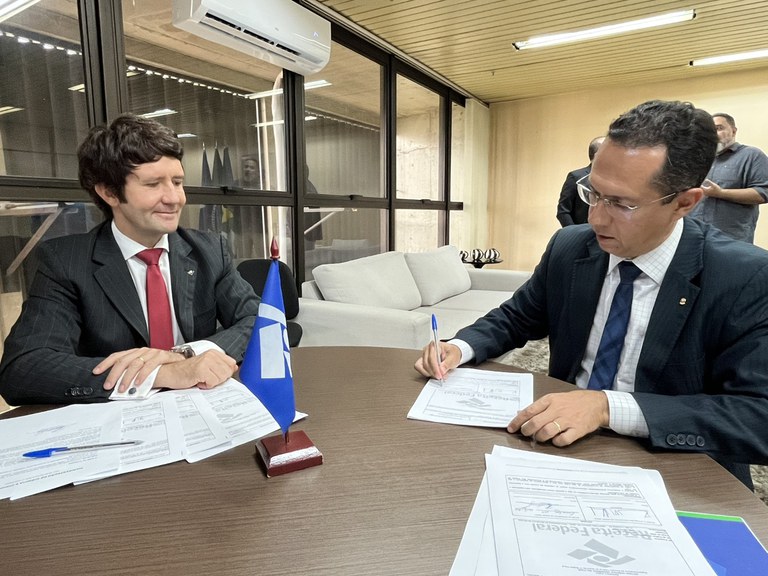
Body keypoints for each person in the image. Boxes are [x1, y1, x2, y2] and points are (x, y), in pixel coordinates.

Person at [415, 100, 768, 489]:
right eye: (594, 194)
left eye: (622, 203)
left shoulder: (745, 276)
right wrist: (460, 347)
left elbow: (757, 417)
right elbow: (517, 316)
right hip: (560, 447)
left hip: (679, 468)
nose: (596, 218)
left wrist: (607, 407)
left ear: (685, 203)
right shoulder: (571, 247)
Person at [0, 114, 260, 404]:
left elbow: (260, 321)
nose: (174, 198)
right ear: (109, 192)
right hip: (118, 418)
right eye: (153, 184)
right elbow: (23, 369)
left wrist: (185, 354)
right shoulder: (66, 262)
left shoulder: (209, 250)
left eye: (177, 182)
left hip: (204, 404)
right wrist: (159, 374)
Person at [689, 112, 768, 243]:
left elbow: (764, 192)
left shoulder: (752, 155)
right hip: (694, 236)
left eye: (719, 128)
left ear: (733, 131)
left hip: (731, 239)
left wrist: (721, 193)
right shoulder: (697, 159)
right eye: (710, 131)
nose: (714, 134)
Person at [556, 136, 605, 226]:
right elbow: (563, 211)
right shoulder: (576, 177)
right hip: (582, 230)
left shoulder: (615, 179)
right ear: (597, 154)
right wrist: (575, 232)